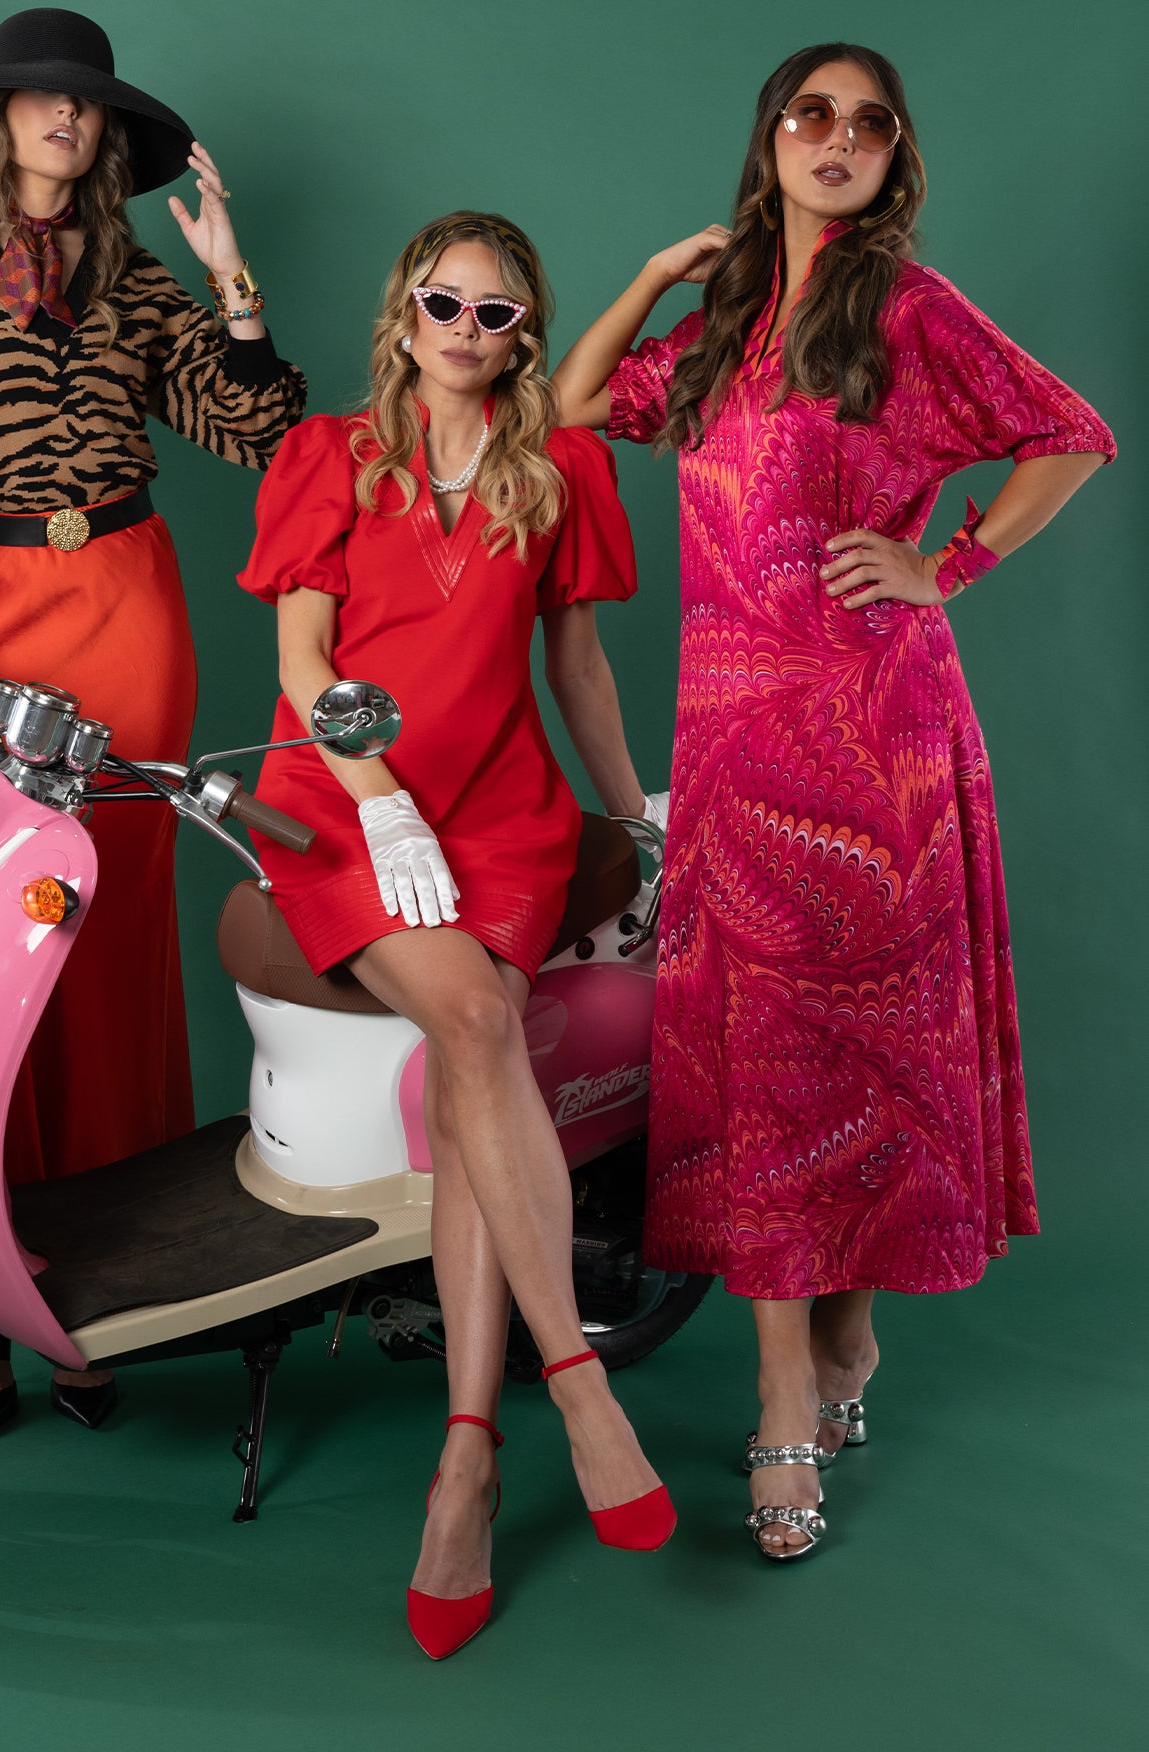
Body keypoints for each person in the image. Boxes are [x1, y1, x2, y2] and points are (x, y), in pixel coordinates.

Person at [553, 43, 1115, 1559]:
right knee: (766, 1069)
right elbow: (579, 398)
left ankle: (819, 1360)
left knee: (858, 1058)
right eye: (813, 115)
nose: (840, 139)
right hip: (733, 743)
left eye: (871, 123)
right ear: (772, 143)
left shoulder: (910, 310)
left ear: (893, 156)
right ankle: (804, 1369)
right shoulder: (724, 325)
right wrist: (658, 272)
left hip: (879, 730)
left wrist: (950, 562)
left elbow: (1073, 434)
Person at [0, 9, 306, 1434]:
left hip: (130, 604)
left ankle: (100, 1292)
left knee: (113, 937)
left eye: (90, 105)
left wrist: (234, 283)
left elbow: (258, 430)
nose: (68, 119)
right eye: (43, 97)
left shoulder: (131, 271)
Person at [238, 211, 671, 1661]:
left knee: (477, 1080)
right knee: (482, 1025)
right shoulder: (329, 455)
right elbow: (303, 660)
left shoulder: (564, 471)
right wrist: (380, 804)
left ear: (525, 332)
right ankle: (579, 1390)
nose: (467, 331)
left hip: (502, 815)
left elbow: (579, 668)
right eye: (445, 302)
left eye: (497, 312)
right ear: (404, 311)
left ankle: (467, 1458)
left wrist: (638, 816)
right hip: (342, 802)